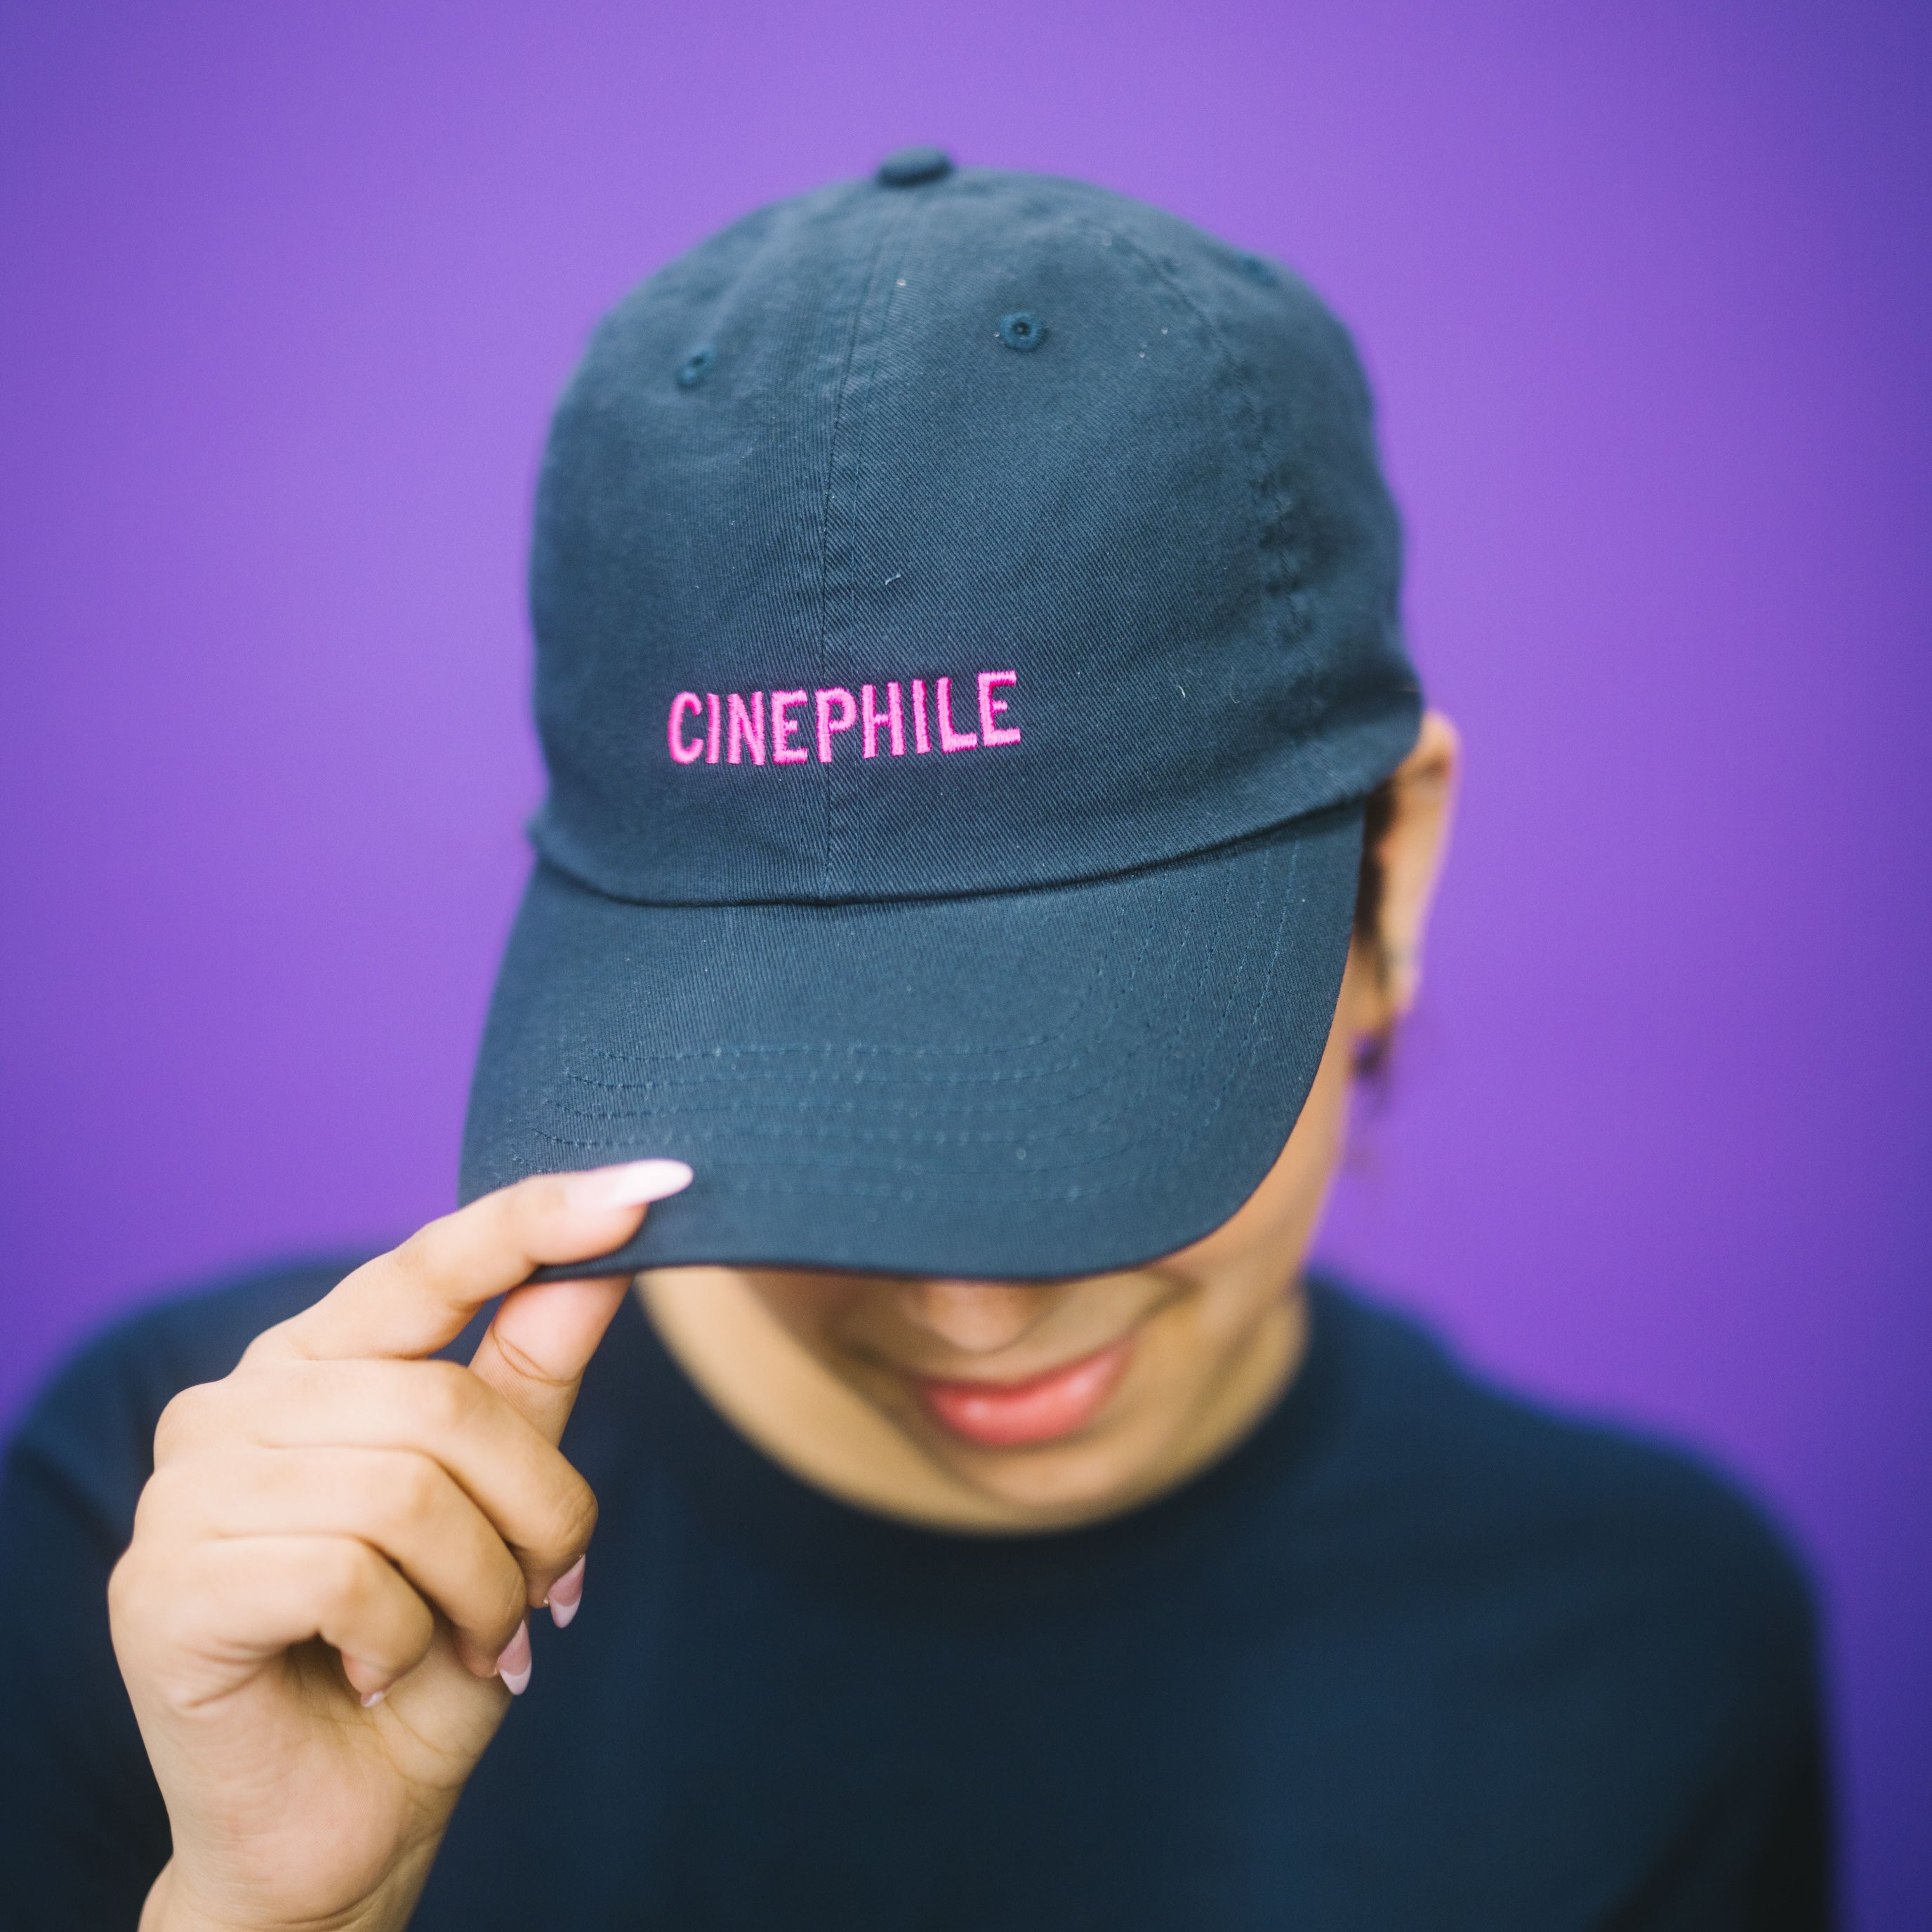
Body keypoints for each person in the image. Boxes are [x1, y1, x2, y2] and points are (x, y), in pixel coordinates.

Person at [0, 152, 1829, 1931]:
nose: (978, 1310)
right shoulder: (201, 1569)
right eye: (816, 1106)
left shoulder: (1645, 1644)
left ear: (1395, 870)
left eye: (1107, 1094)